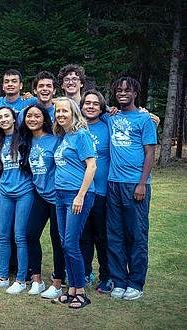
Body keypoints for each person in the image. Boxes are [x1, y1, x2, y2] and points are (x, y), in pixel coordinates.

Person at [105, 77, 156, 301]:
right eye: (119, 90)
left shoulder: (144, 120)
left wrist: (142, 183)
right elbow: (83, 103)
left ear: (136, 93)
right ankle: (118, 280)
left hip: (135, 184)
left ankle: (135, 282)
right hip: (112, 183)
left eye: (127, 90)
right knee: (115, 234)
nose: (123, 93)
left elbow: (150, 152)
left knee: (136, 234)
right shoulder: (110, 117)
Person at [52, 97, 96, 309]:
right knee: (64, 244)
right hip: (60, 195)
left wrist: (80, 195)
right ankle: (71, 290)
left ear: (74, 113)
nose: (61, 115)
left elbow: (92, 166)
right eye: (58, 111)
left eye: (65, 111)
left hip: (77, 196)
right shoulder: (64, 136)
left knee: (71, 243)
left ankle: (80, 292)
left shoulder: (81, 135)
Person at [18, 105, 66, 298]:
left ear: (44, 118)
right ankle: (36, 280)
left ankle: (57, 283)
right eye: (29, 116)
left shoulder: (55, 140)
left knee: (57, 240)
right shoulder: (27, 140)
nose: (32, 119)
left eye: (37, 116)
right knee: (30, 234)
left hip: (58, 197)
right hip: (40, 194)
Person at [0, 106, 33, 295]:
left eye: (7, 116)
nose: (4, 119)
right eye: (0, 117)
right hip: (5, 191)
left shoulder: (24, 137)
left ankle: (21, 279)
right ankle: (3, 278)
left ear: (15, 118)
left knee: (20, 236)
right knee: (3, 235)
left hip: (24, 192)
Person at [79, 90, 112, 293]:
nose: (90, 106)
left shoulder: (107, 124)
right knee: (83, 235)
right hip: (81, 191)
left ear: (101, 108)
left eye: (95, 104)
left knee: (102, 236)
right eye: (87, 103)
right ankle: (84, 272)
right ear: (81, 106)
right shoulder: (76, 127)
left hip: (101, 191)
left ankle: (106, 276)